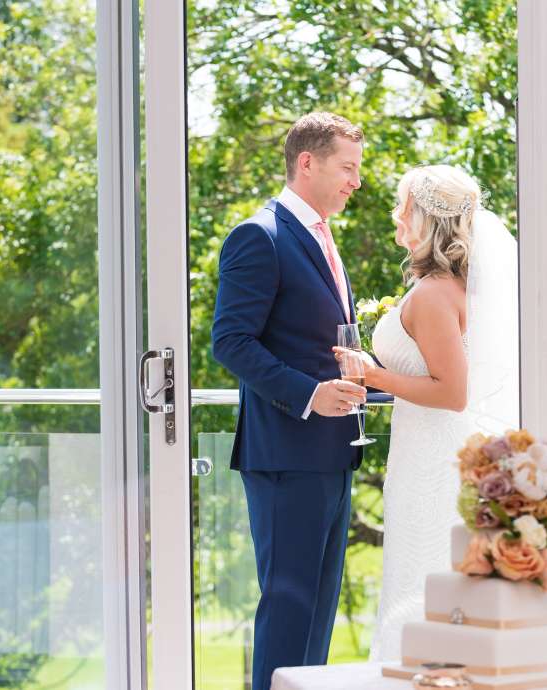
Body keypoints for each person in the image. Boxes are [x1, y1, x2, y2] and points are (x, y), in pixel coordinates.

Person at [336, 165, 520, 661]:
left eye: (404, 207)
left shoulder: (436, 293)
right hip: (424, 452)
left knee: (423, 577)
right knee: (420, 575)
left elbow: (452, 392)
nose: (396, 216)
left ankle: (425, 668)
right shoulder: (444, 287)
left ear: (425, 220)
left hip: (434, 464)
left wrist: (371, 375)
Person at [211, 112, 368, 690]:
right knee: (288, 613)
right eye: (348, 168)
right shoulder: (261, 235)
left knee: (317, 621)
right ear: (308, 163)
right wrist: (309, 395)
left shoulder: (322, 236)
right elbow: (229, 341)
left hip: (333, 453)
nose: (357, 181)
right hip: (285, 457)